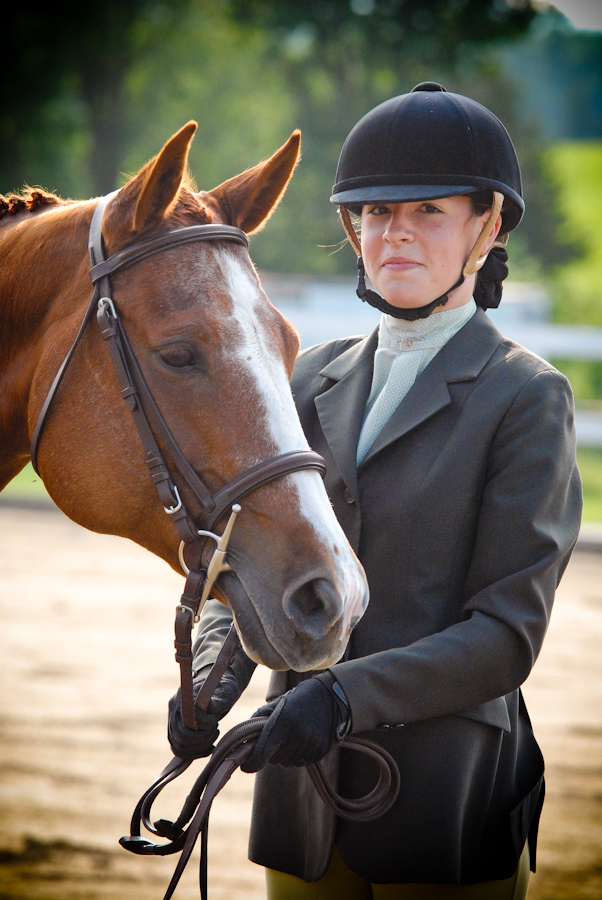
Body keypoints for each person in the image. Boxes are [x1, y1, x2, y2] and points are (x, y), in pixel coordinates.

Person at [167, 83, 582, 899]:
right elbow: (243, 567)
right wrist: (211, 679)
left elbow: (506, 635)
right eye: (375, 213)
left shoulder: (525, 398)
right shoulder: (309, 375)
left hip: (443, 807)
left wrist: (342, 696)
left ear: (487, 226)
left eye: (427, 211)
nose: (394, 233)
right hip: (302, 808)